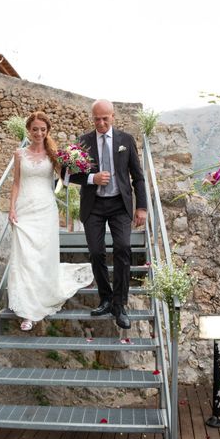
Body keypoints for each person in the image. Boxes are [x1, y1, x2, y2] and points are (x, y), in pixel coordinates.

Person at [64, 100, 147, 329]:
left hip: (120, 204)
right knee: (96, 252)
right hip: (94, 206)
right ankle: (106, 298)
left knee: (122, 248)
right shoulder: (83, 142)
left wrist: (141, 207)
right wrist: (92, 178)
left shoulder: (126, 140)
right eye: (96, 119)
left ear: (113, 116)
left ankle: (120, 305)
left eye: (105, 118)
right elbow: (66, 174)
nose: (100, 123)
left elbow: (138, 177)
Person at [8, 111, 94, 331]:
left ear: (47, 132)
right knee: (25, 256)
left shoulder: (53, 155)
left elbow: (66, 177)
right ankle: (27, 311)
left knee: (43, 255)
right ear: (29, 130)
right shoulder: (19, 154)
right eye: (35, 129)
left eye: (43, 130)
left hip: (46, 209)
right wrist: (11, 208)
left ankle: (42, 298)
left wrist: (80, 167)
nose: (38, 133)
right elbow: (16, 183)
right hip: (24, 209)